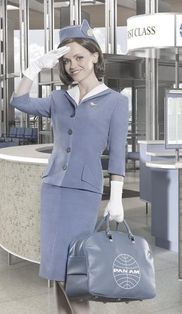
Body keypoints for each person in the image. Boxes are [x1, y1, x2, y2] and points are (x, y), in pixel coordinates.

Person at [10, 19, 129, 314]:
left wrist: (115, 197)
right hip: (52, 189)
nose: (73, 65)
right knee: (56, 269)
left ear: (95, 56)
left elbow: (117, 153)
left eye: (79, 57)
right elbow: (19, 101)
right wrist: (33, 68)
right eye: (66, 60)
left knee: (73, 271)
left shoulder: (115, 102)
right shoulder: (58, 98)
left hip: (83, 193)